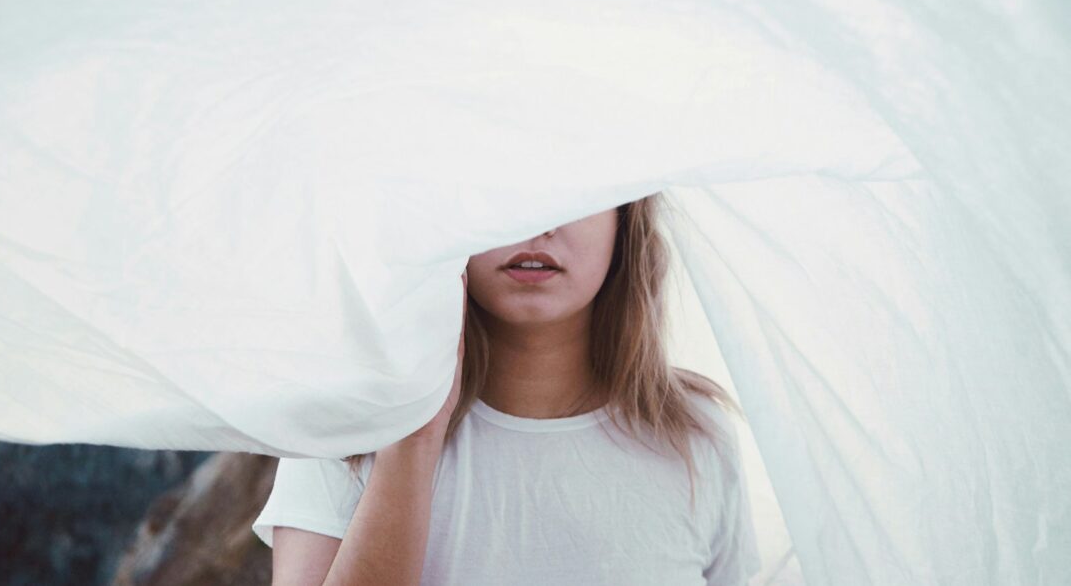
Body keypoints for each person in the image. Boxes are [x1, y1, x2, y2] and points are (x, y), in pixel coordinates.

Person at [252, 193, 762, 585]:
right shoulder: (347, 425)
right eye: (504, 190)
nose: (537, 224)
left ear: (624, 219)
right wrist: (413, 440)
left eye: (575, 191)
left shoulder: (695, 436)